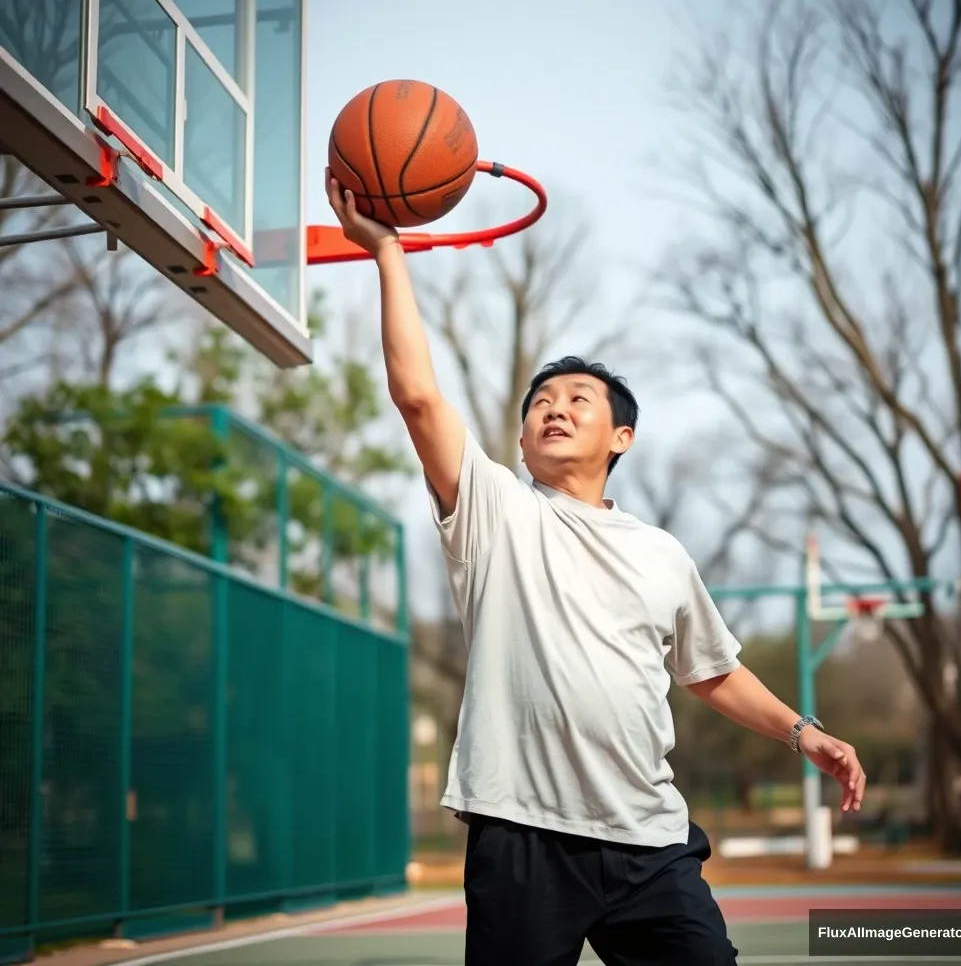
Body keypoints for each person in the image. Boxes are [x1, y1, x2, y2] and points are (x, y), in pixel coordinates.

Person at [325, 173, 867, 966]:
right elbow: (417, 397)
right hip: (523, 835)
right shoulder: (497, 512)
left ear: (621, 438)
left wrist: (801, 731)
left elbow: (711, 672)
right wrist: (387, 253)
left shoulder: (661, 553)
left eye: (580, 398)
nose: (555, 407)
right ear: (519, 445)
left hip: (648, 836)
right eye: (541, 401)